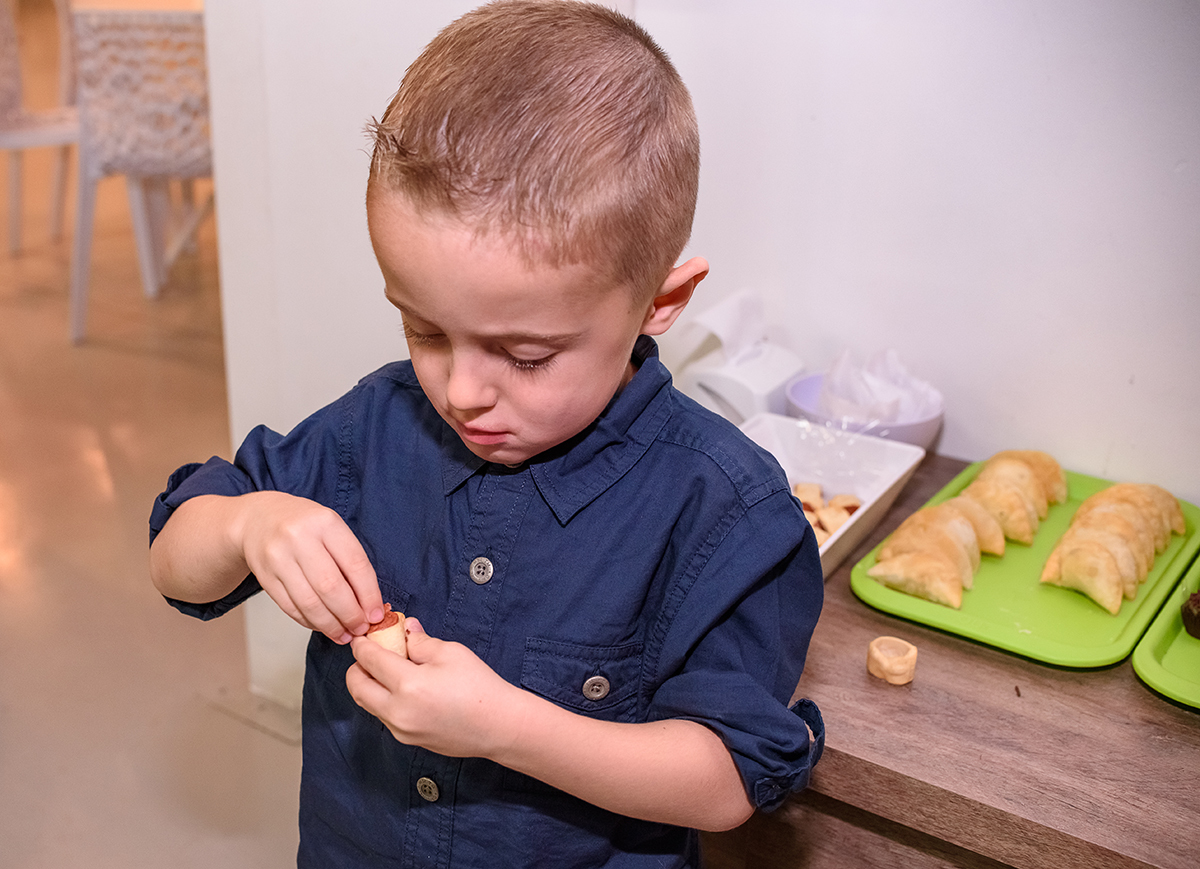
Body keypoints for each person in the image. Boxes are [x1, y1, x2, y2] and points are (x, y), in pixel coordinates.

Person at [148, 2, 824, 866]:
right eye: (423, 330)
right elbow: (174, 555)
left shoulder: (724, 509)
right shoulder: (377, 426)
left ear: (659, 302)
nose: (462, 392)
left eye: (527, 354)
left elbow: (729, 778)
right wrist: (249, 523)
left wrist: (508, 728)